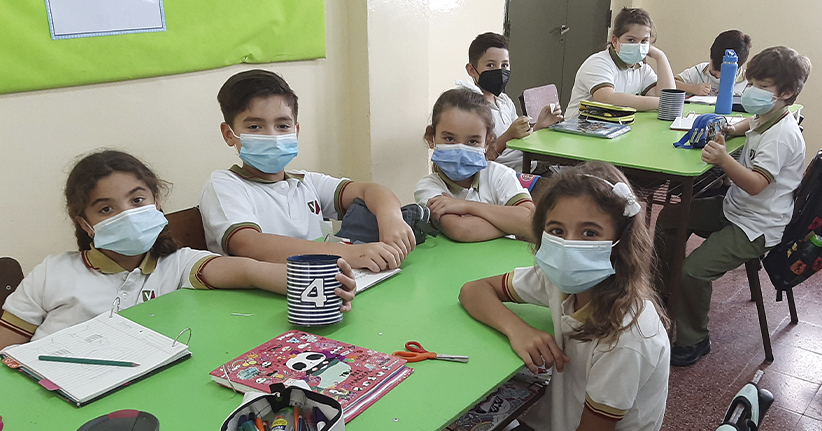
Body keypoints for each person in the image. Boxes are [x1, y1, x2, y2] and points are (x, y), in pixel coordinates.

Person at [407, 162, 670, 431]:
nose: (569, 245)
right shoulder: (560, 281)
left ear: (620, 239)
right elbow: (473, 290)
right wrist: (518, 329)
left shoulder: (628, 336)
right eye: (557, 231)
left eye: (590, 232)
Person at [0, 151, 356, 350]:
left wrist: (325, 282)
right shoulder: (51, 273)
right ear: (85, 223)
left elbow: (251, 271)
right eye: (106, 209)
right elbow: (6, 350)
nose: (127, 214)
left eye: (137, 200)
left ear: (157, 202)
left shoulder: (179, 264)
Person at [656, 46, 811, 366]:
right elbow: (750, 123)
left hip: (756, 226)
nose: (752, 91)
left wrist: (724, 160)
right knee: (669, 218)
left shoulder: (781, 136)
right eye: (751, 83)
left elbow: (755, 184)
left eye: (762, 86)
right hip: (736, 208)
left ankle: (694, 339)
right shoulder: (769, 116)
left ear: (786, 93)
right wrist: (729, 128)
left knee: (693, 272)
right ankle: (667, 291)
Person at [200, 69, 415, 272]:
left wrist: (391, 218)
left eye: (282, 126)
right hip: (257, 295)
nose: (272, 136)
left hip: (324, 286)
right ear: (228, 134)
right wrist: (349, 254)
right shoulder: (224, 185)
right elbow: (249, 244)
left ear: (296, 131)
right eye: (255, 127)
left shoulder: (305, 182)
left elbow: (370, 191)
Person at [415, 88, 535, 242]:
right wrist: (512, 224)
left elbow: (531, 222)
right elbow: (461, 230)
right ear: (431, 137)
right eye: (450, 139)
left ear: (487, 141)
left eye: (472, 141)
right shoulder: (428, 187)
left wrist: (466, 206)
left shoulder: (499, 175)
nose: (461, 149)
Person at [460, 32, 563, 172]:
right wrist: (508, 136)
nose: (499, 71)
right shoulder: (469, 107)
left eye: (504, 65)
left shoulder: (504, 101)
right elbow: (476, 160)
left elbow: (519, 140)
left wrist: (539, 125)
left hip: (528, 165)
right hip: (503, 175)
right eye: (490, 65)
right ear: (472, 70)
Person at [565, 7, 676, 120]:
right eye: (631, 40)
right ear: (615, 41)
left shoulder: (641, 68)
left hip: (613, 126)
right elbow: (606, 98)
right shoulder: (598, 63)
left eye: (644, 41)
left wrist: (661, 57)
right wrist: (663, 102)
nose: (638, 46)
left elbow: (666, 96)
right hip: (578, 126)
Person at [675, 30, 752, 96]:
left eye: (723, 73)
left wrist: (733, 97)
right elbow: (671, 83)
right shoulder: (700, 70)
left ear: (737, 67)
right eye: (714, 70)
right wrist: (692, 88)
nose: (717, 76)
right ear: (711, 56)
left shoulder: (747, 81)